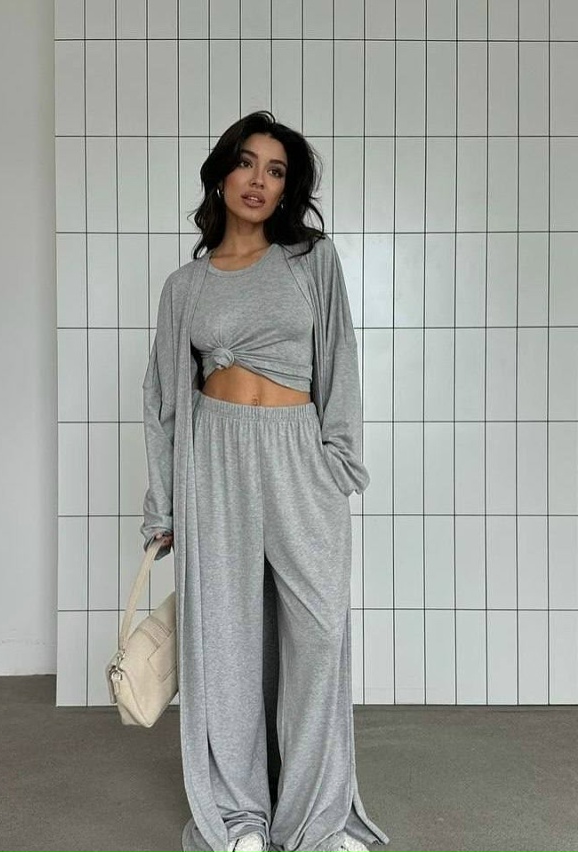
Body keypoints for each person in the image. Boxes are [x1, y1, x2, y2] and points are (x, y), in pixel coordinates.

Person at [141, 111, 390, 852]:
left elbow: (340, 360)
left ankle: (314, 822)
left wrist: (336, 461)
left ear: (287, 189)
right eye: (247, 163)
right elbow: (163, 401)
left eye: (276, 171)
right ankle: (240, 816)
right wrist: (165, 503)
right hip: (215, 462)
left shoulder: (311, 262)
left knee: (318, 637)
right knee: (226, 645)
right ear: (222, 174)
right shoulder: (185, 286)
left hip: (297, 457)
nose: (258, 180)